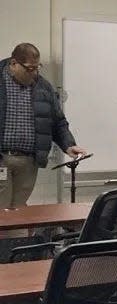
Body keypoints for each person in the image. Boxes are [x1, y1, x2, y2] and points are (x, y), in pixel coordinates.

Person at [0, 43, 85, 209]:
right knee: (1, 210)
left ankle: (20, 236)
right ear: (14, 63)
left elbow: (58, 121)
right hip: (1, 159)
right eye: (29, 68)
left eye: (37, 67)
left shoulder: (43, 87)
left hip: (28, 161)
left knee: (20, 210)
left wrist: (69, 145)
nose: (34, 73)